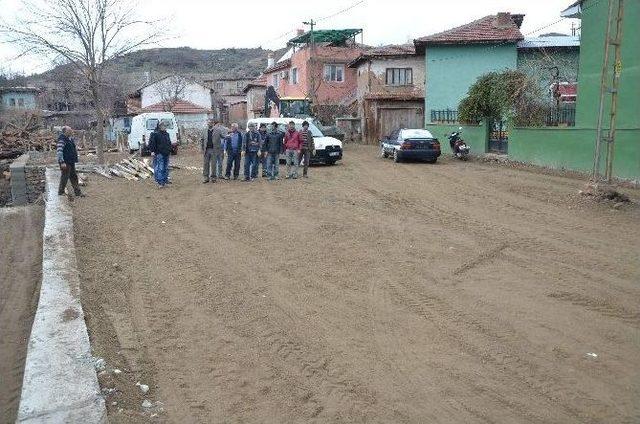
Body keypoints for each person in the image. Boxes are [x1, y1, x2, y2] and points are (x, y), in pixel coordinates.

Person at [56, 126, 84, 197]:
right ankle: (61, 192)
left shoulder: (69, 139)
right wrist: (62, 162)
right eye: (70, 130)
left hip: (71, 161)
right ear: (65, 131)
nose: (71, 131)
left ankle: (78, 192)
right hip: (65, 162)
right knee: (65, 177)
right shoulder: (62, 139)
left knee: (74, 176)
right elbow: (59, 151)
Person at [149, 121, 172, 188]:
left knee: (166, 168)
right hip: (159, 154)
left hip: (166, 153)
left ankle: (165, 180)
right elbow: (152, 144)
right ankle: (160, 182)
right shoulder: (155, 134)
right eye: (164, 126)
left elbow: (169, 143)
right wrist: (153, 151)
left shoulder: (167, 134)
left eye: (166, 126)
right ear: (160, 126)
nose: (165, 127)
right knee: (160, 168)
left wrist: (170, 150)